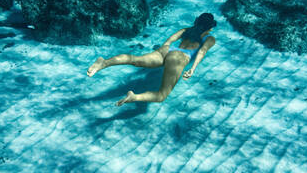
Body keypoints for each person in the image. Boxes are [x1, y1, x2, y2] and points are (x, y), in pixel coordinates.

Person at [87, 13, 217, 106]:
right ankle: (134, 97)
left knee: (135, 59)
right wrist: (192, 69)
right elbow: (201, 52)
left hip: (167, 51)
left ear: (196, 21)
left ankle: (104, 63)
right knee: (161, 95)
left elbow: (169, 41)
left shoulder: (186, 30)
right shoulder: (210, 38)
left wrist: (163, 51)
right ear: (210, 27)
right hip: (178, 58)